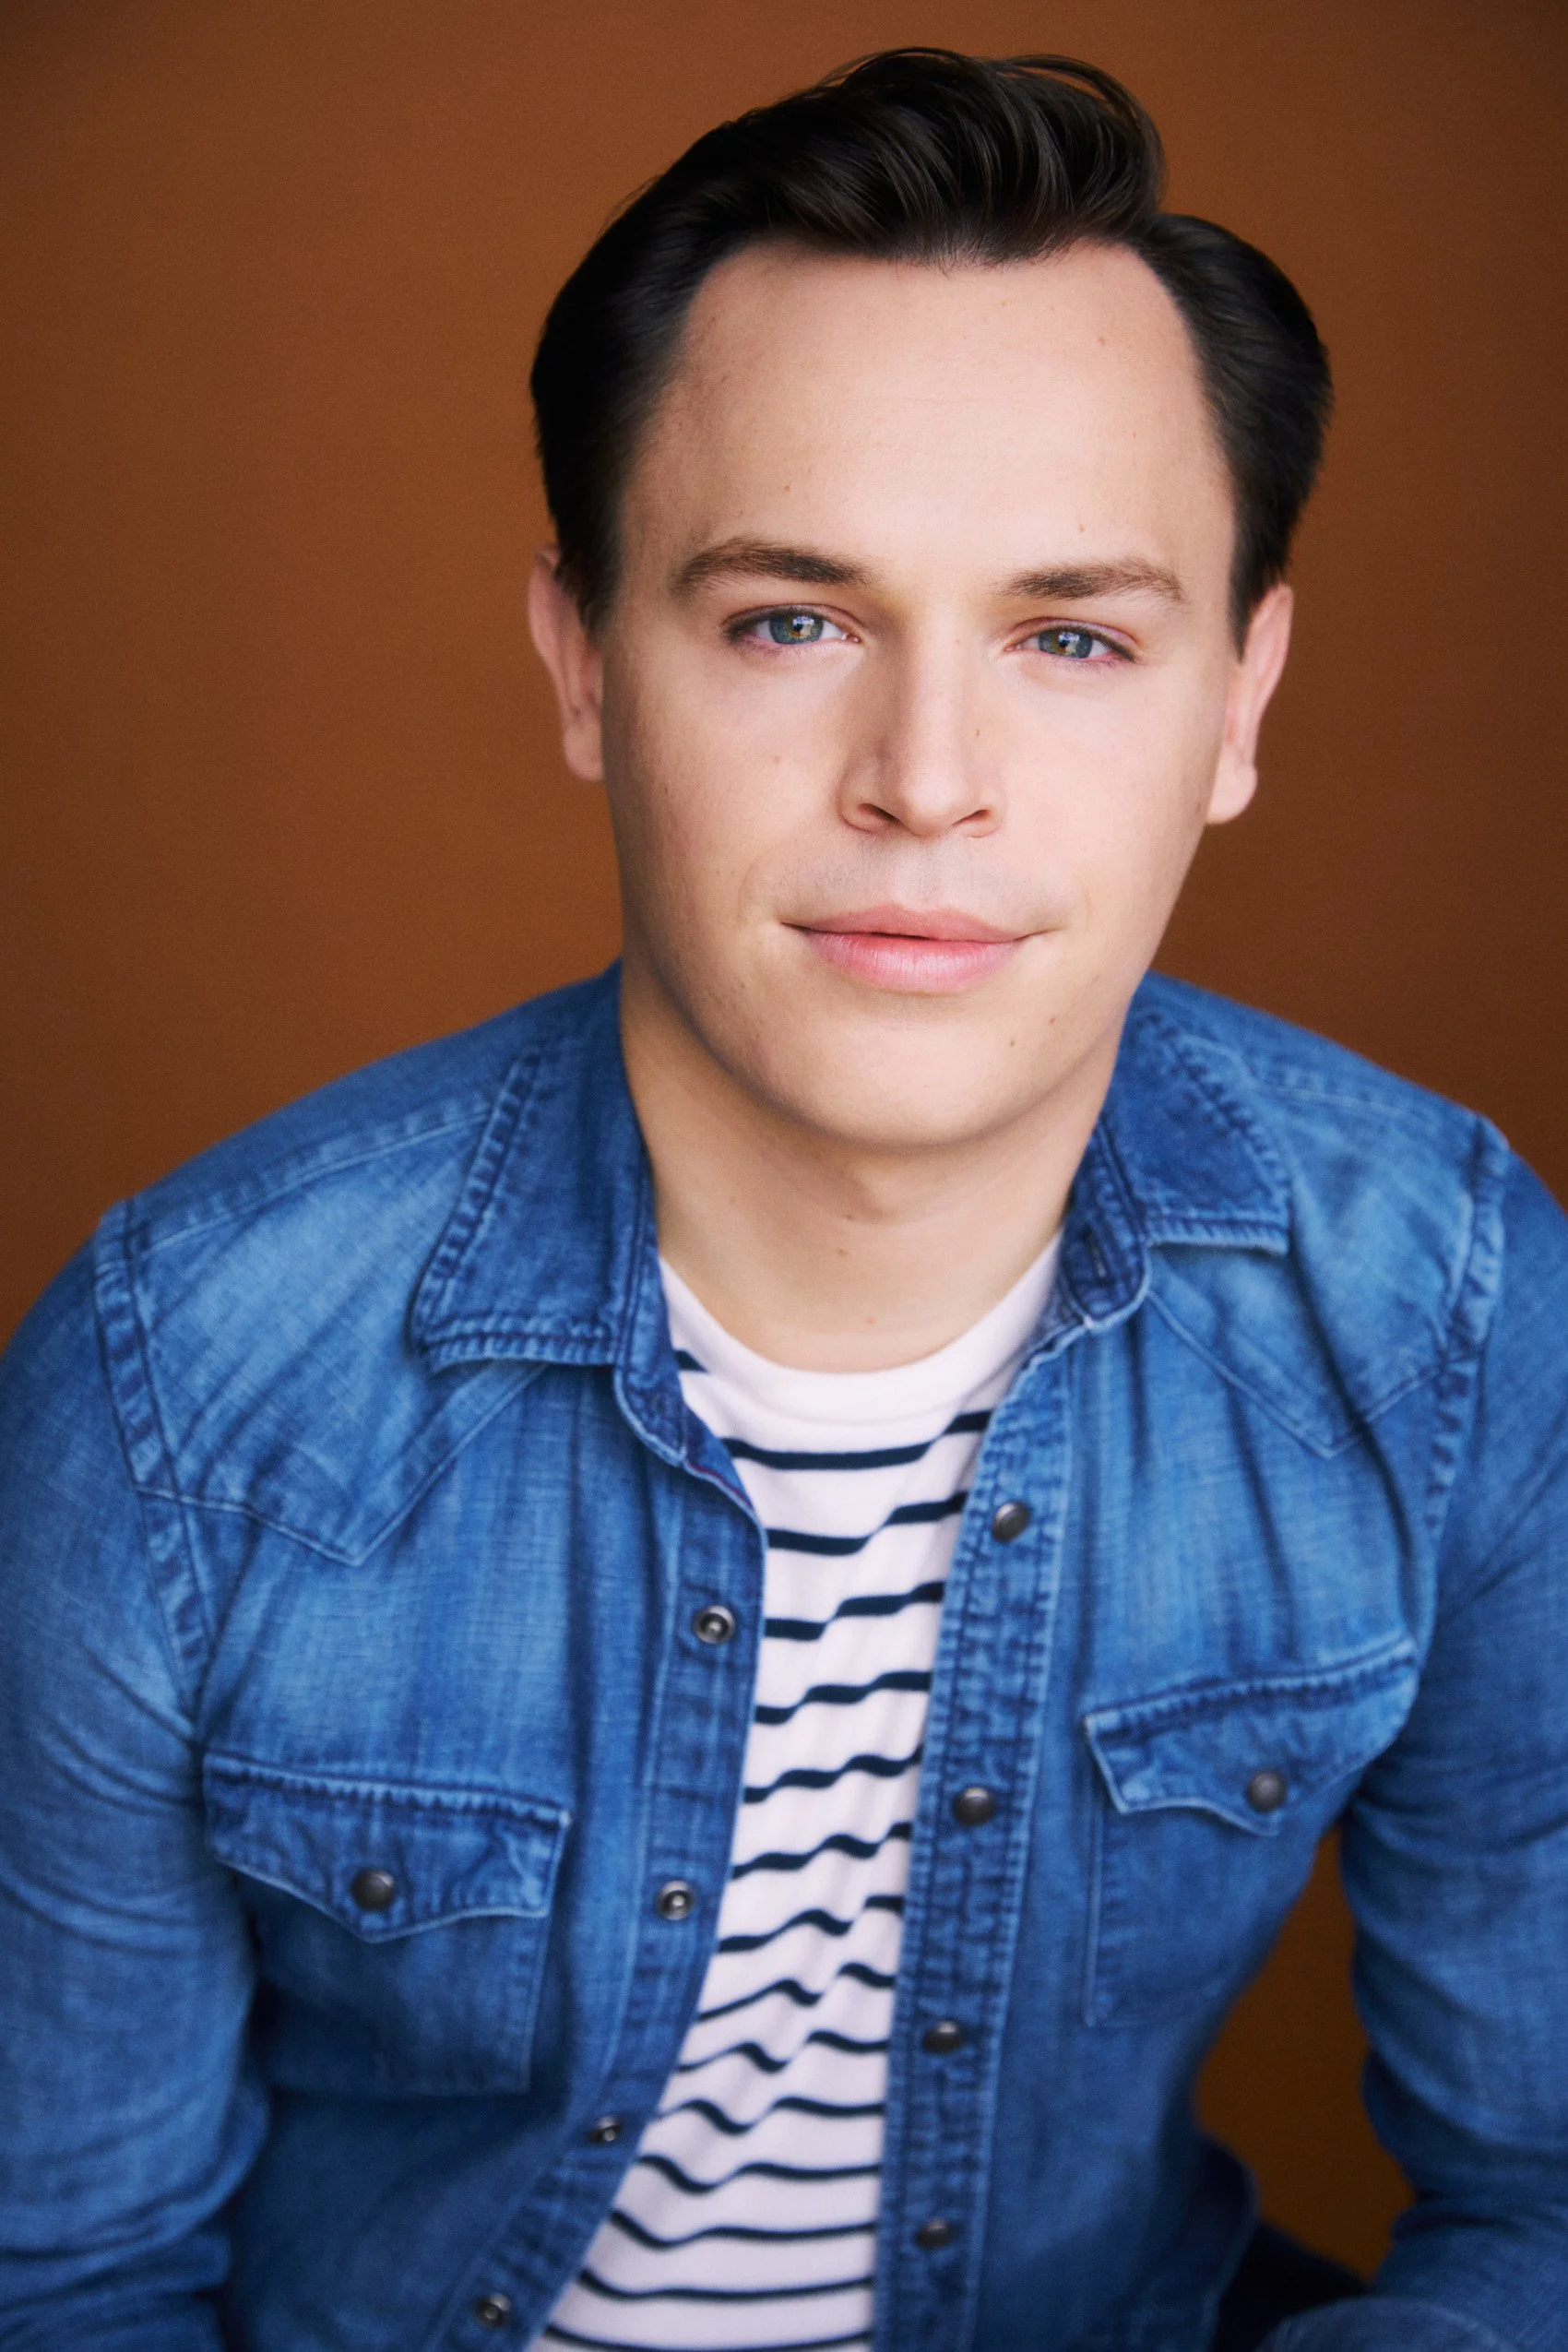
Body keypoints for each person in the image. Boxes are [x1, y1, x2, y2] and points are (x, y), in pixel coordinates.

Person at [1, 44, 1564, 2352]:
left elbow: (1544, 2206)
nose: (924, 782)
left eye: (1071, 639)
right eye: (788, 622)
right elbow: (68, 2277)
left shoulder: (1439, 1310)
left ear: (1239, 702)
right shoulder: (178, 1381)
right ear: (584, 668)